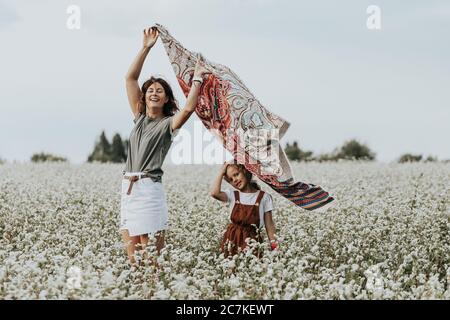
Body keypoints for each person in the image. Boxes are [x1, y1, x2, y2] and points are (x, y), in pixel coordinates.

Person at [121, 26, 211, 266]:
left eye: (159, 91)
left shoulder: (168, 124)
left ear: (167, 99)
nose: (153, 93)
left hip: (149, 189)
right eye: (150, 90)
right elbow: (130, 78)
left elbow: (189, 108)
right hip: (128, 189)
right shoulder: (139, 118)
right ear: (144, 97)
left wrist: (198, 79)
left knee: (150, 257)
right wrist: (145, 48)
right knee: (133, 259)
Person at [210, 162, 278, 257]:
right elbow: (214, 193)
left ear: (245, 171)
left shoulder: (264, 197)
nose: (235, 180)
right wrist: (221, 172)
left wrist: (275, 248)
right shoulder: (233, 195)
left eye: (236, 174)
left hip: (252, 242)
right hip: (232, 239)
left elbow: (270, 227)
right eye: (230, 179)